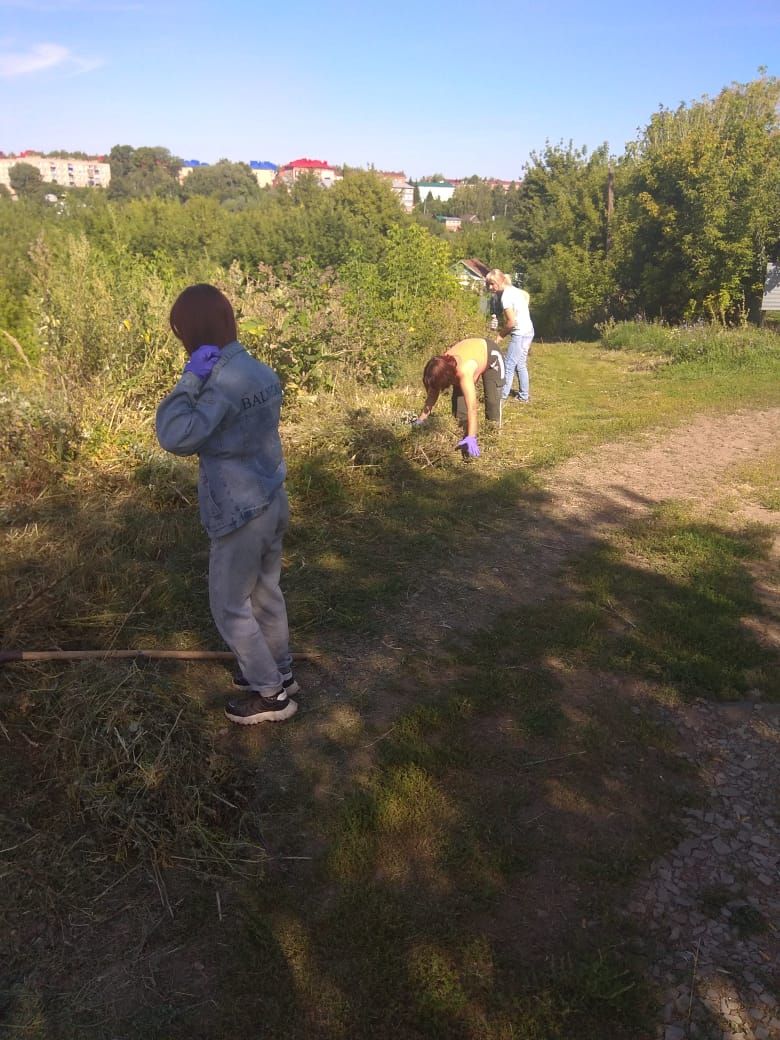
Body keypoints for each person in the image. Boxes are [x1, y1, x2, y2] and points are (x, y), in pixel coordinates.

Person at [155, 284, 298, 725]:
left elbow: (175, 436)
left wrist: (189, 377)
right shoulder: (260, 371)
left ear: (193, 332)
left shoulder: (218, 382)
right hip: (272, 497)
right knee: (265, 594)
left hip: (240, 511)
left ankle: (272, 696)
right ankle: (282, 673)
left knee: (230, 606)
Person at [414, 337, 505, 457]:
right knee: (459, 411)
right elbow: (433, 393)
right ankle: (462, 438)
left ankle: (492, 443)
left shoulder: (463, 371)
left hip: (491, 355)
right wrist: (421, 419)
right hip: (469, 360)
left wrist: (472, 438)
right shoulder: (440, 367)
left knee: (492, 402)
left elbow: (472, 408)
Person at [486, 269, 534, 403]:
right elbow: (526, 297)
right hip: (529, 330)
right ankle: (523, 396)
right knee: (520, 364)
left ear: (500, 281)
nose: (490, 287)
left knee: (508, 365)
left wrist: (499, 337)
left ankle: (501, 397)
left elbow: (511, 322)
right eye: (488, 284)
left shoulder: (506, 297)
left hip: (520, 333)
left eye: (492, 284)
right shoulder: (515, 290)